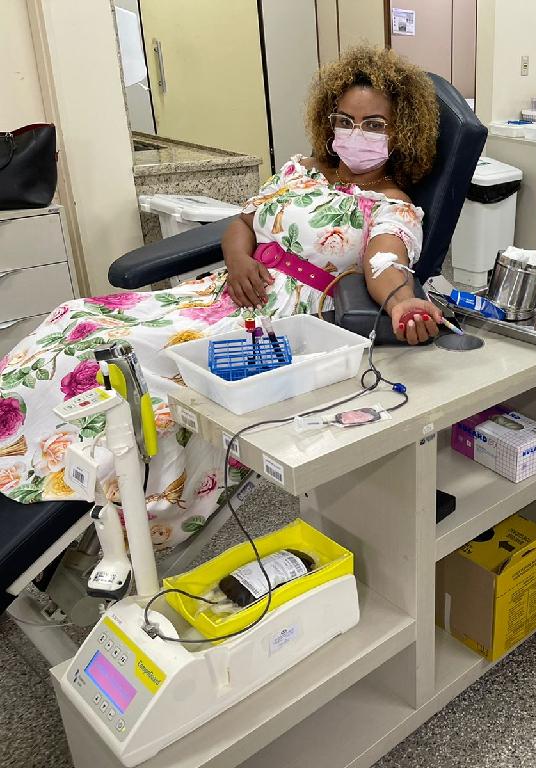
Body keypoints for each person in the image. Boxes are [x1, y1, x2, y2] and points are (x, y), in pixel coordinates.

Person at [0, 46, 443, 547]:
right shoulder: (302, 170)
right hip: (225, 291)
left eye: (374, 124)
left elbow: (386, 262)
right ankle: (17, 450)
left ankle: (71, 478)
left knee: (124, 365)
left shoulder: (390, 205)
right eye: (345, 119)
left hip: (276, 324)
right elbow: (243, 223)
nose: (355, 134)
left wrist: (402, 300)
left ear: (402, 131)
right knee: (76, 318)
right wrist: (237, 261)